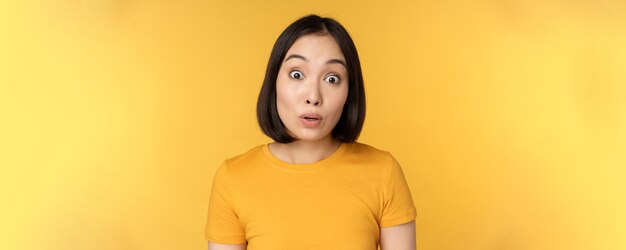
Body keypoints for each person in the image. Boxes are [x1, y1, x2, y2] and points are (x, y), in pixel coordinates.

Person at [205, 14, 417, 250]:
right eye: (297, 74)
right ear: (273, 82)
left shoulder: (383, 173)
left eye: (332, 78)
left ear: (349, 93)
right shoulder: (233, 178)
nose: (313, 97)